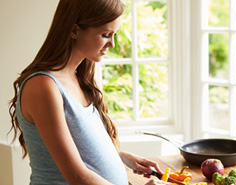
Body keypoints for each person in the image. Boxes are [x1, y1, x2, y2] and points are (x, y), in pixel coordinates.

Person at [8, 0, 172, 185]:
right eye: (105, 35)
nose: (112, 44)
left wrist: (119, 156)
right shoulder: (43, 87)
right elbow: (77, 178)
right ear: (75, 30)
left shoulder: (78, 78)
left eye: (114, 35)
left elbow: (78, 149)